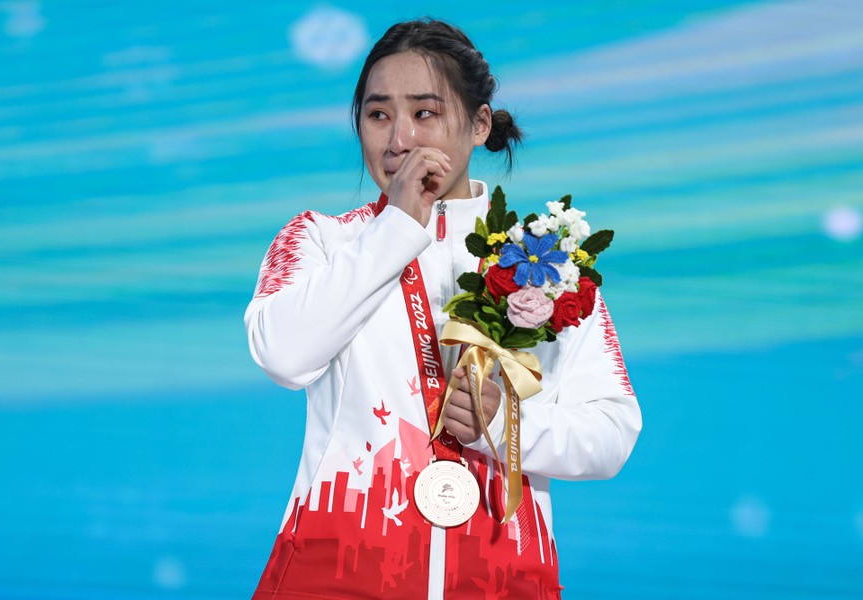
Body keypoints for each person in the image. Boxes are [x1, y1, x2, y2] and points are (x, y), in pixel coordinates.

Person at [244, 18, 641, 600]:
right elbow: (283, 356)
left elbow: (612, 432)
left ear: (480, 124)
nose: (399, 139)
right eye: (378, 115)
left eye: (424, 112)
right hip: (334, 574)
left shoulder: (549, 267)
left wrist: (506, 428)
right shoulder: (322, 241)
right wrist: (398, 227)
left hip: (503, 580)